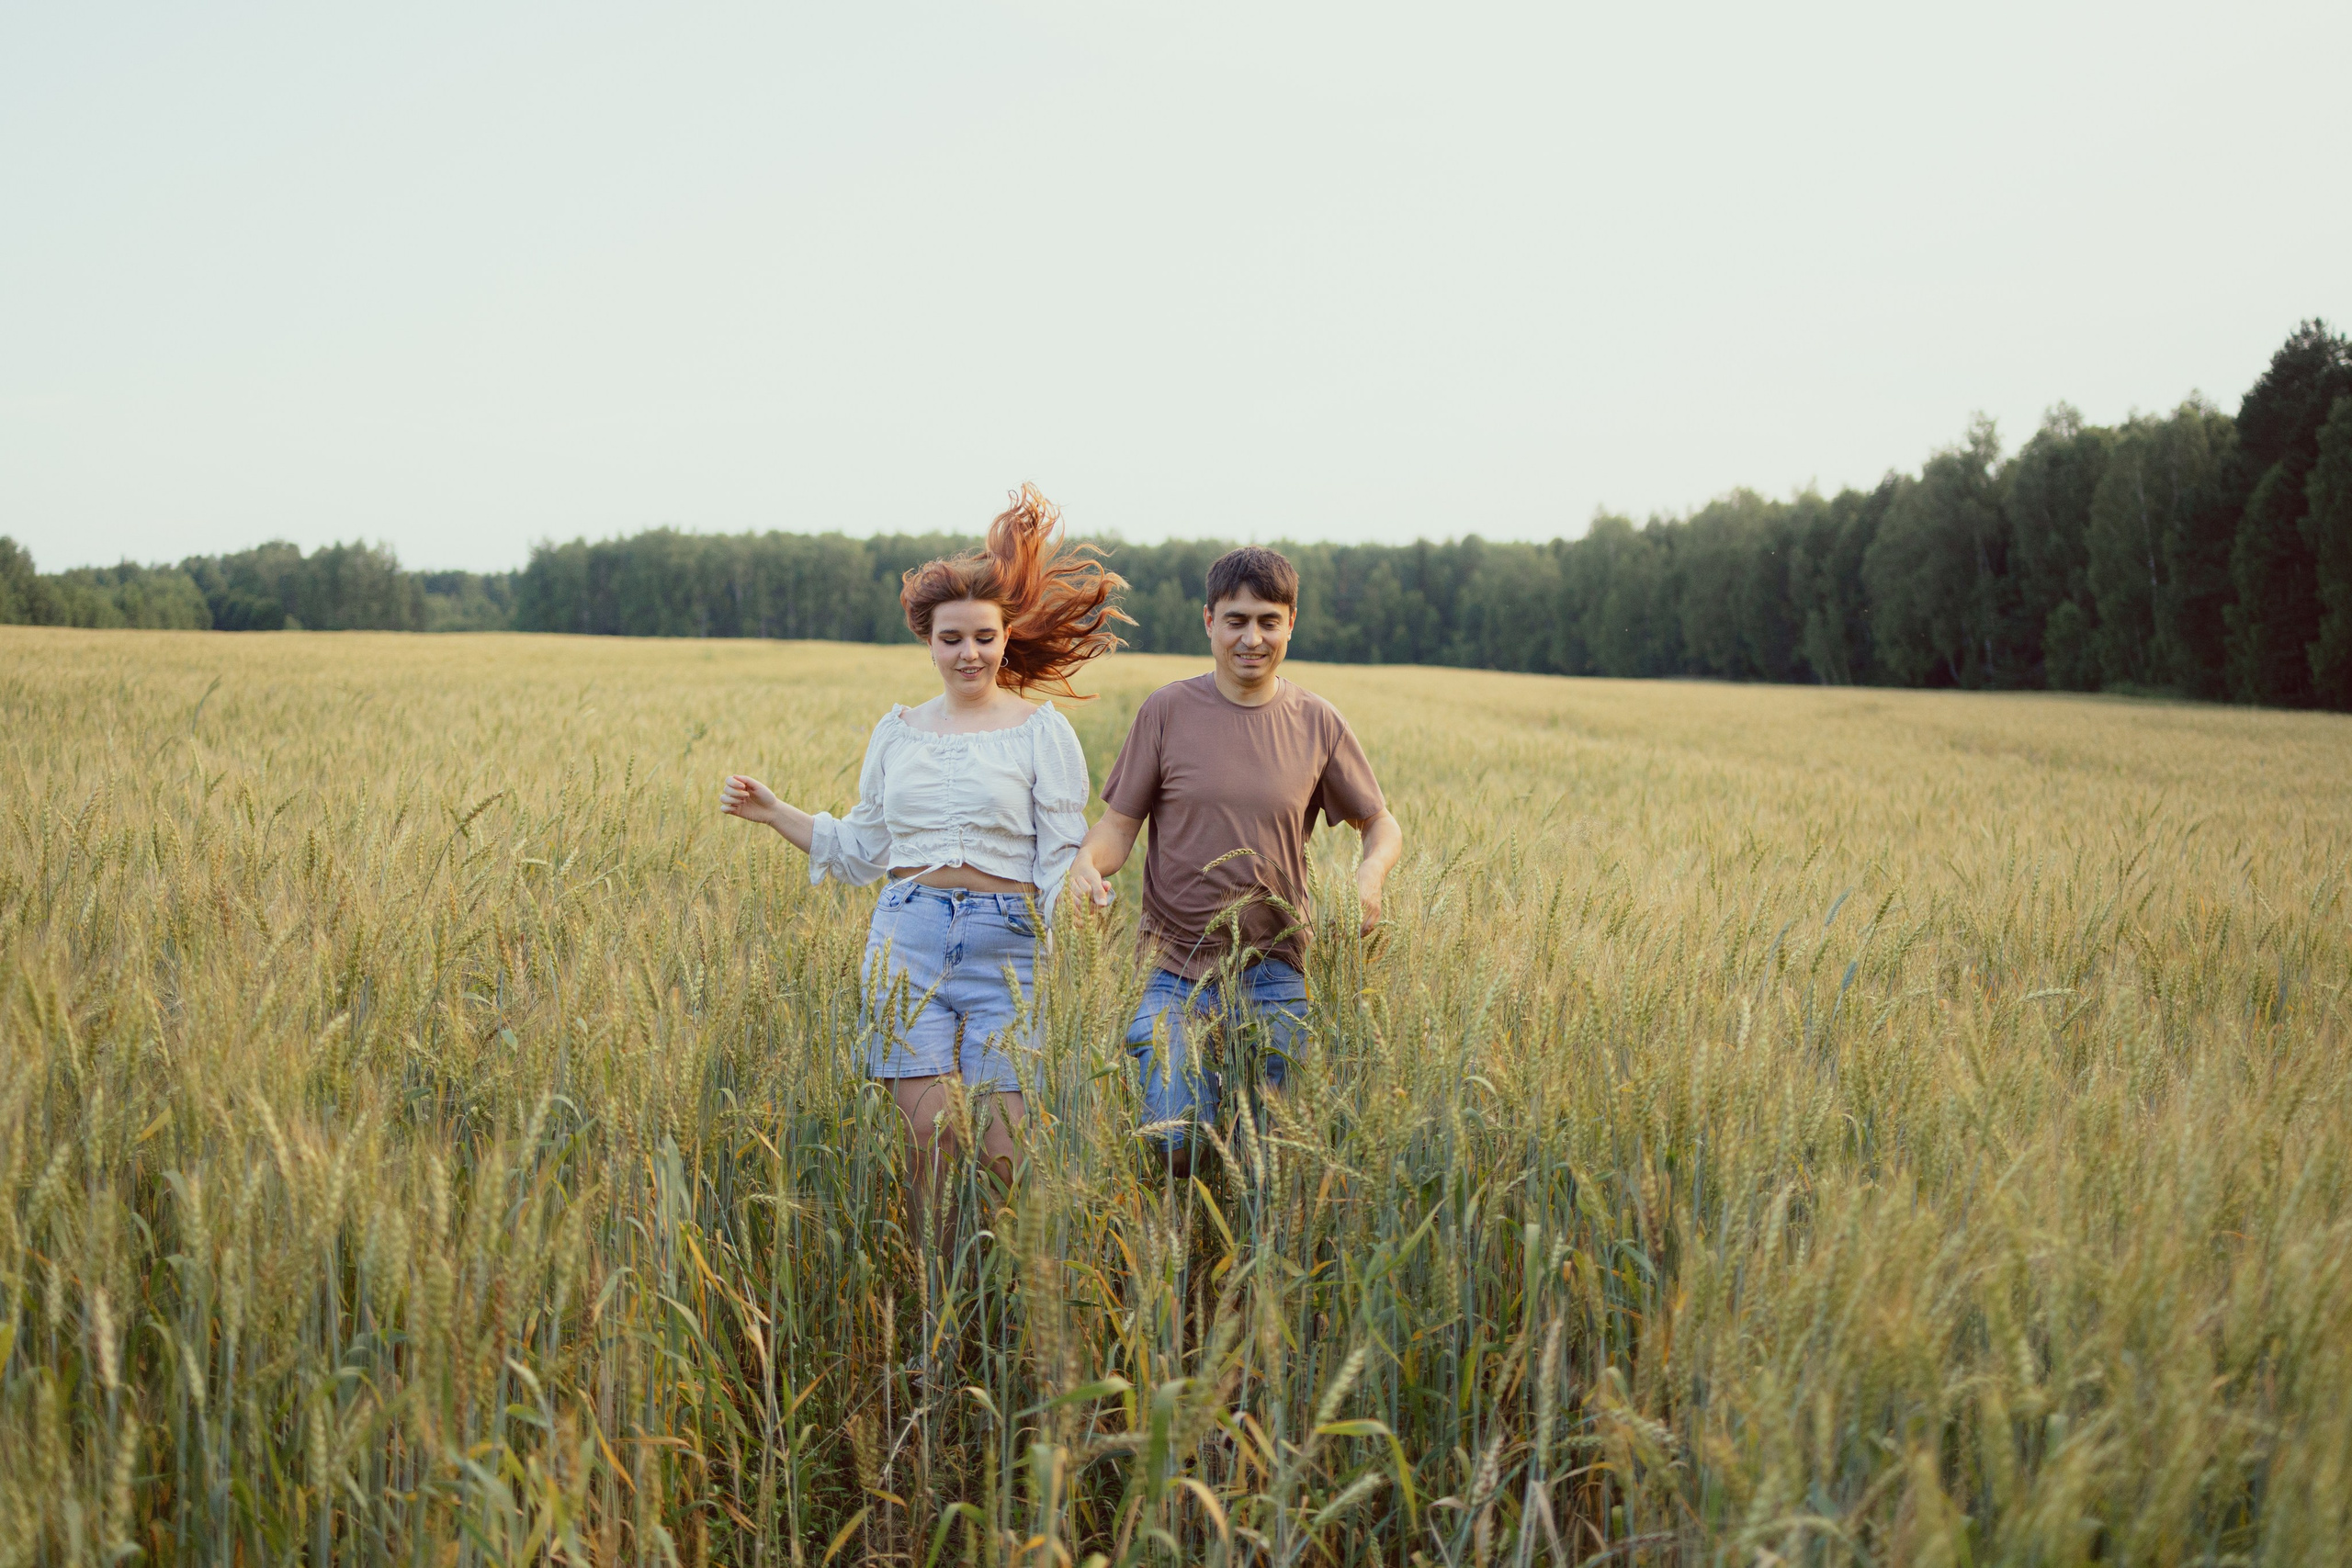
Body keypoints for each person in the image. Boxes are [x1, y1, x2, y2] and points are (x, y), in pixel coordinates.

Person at [719, 484, 1125, 1213]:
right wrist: (776, 811)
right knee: (928, 1143)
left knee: (1005, 1153)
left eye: (983, 637)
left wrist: (1083, 896)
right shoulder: (898, 731)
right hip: (906, 934)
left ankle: (994, 1308)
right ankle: (938, 1300)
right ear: (927, 641)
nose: (968, 652)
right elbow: (864, 846)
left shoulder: (1042, 732)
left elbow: (1060, 853)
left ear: (1005, 638)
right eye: (951, 638)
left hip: (1011, 945)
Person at [1067, 546, 1403, 1173]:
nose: (1252, 637)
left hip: (1278, 968)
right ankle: (1179, 1248)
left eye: (1268, 621)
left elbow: (1380, 822)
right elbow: (1118, 826)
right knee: (1174, 1135)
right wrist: (1088, 863)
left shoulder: (1318, 722)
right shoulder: (1166, 711)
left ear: (1291, 623)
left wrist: (1369, 876)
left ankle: (1250, 1263)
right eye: (1237, 620)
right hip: (1174, 968)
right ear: (1209, 622)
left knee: (1267, 1159)